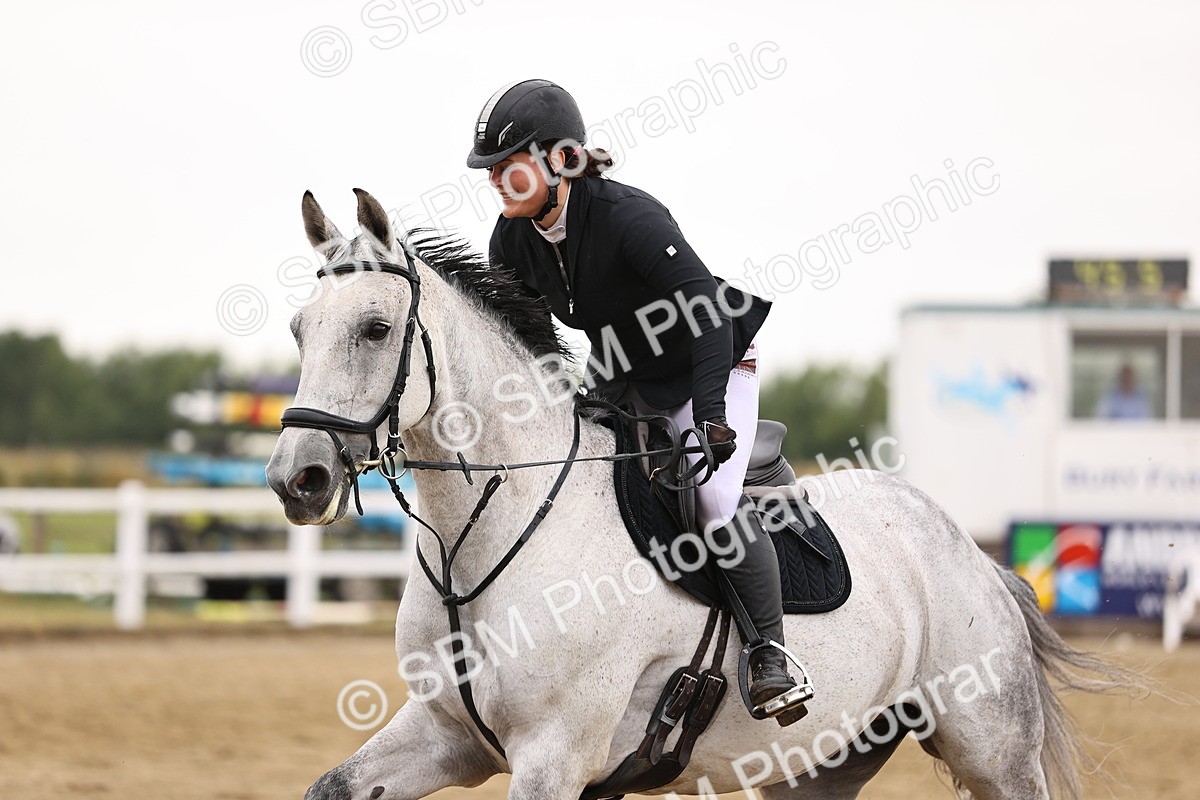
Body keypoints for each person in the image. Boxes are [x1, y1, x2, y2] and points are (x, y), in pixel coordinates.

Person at [466, 79, 810, 721]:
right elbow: (530, 348)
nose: (494, 180)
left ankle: (770, 653)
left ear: (560, 159)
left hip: (712, 362)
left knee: (712, 501)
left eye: (507, 166)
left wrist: (711, 417)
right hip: (624, 373)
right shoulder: (511, 242)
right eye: (490, 169)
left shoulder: (628, 217)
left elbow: (707, 314)